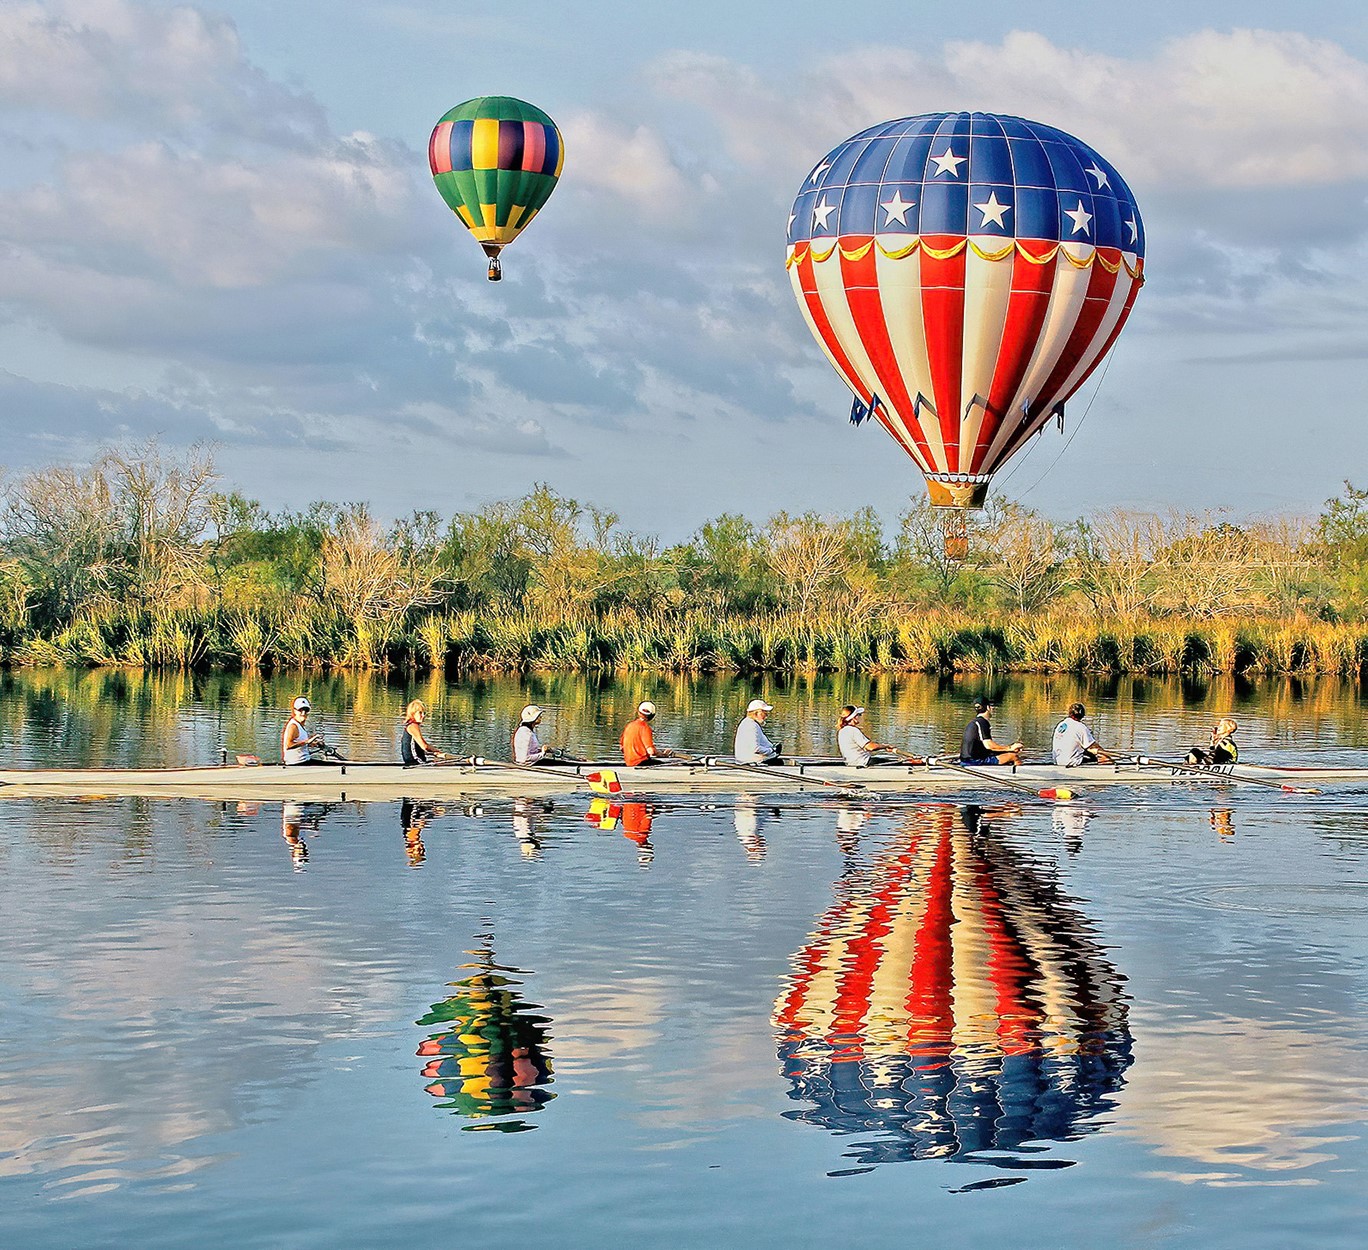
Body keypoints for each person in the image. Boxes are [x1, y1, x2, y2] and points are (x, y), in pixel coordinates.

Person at [960, 697, 1023, 766]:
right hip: (974, 762)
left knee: (1006, 755)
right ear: (987, 707)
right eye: (991, 706)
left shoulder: (975, 722)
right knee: (1013, 756)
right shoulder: (982, 722)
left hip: (969, 759)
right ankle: (1018, 775)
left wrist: (1007, 750)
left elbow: (986, 749)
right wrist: (1010, 748)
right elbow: (989, 746)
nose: (993, 709)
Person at [836, 706, 906, 768]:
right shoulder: (853, 730)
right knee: (896, 763)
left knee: (881, 758)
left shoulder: (842, 731)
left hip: (851, 763)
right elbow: (870, 747)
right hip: (862, 763)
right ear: (854, 718)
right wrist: (885, 746)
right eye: (859, 715)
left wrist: (883, 747)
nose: (861, 717)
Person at [1051, 702, 1112, 767]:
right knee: (1102, 757)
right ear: (1082, 715)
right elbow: (1093, 746)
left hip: (1058, 761)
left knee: (1087, 751)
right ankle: (1109, 770)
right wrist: (1107, 755)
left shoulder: (1061, 724)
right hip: (1070, 763)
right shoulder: (1081, 727)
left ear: (1070, 713)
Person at [621, 701, 677, 766]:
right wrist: (663, 755)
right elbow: (651, 751)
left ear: (638, 712)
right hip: (640, 763)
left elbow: (622, 748)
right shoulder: (645, 728)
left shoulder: (629, 726)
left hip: (629, 763)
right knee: (671, 765)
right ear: (652, 716)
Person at [281, 696, 330, 765]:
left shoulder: (299, 725)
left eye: (306, 710)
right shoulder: (293, 726)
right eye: (300, 710)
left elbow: (299, 743)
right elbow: (288, 745)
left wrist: (315, 744)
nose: (303, 713)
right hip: (296, 763)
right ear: (295, 711)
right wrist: (307, 742)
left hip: (304, 761)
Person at [400, 700, 452, 766]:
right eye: (420, 713)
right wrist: (436, 751)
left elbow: (418, 749)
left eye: (424, 713)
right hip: (415, 761)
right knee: (443, 763)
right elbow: (424, 746)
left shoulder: (410, 725)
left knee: (438, 761)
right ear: (413, 713)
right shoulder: (413, 726)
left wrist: (433, 754)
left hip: (412, 761)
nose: (423, 715)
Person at [734, 698, 783, 765]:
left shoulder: (748, 723)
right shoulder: (751, 726)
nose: (766, 715)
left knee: (778, 761)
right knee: (779, 763)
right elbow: (755, 748)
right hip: (751, 762)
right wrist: (772, 750)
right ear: (756, 713)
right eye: (764, 713)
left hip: (749, 760)